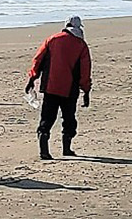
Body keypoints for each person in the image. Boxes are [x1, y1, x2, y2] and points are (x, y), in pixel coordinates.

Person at [25, 16, 93, 159]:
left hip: (50, 87)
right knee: (69, 119)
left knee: (47, 119)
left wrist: (32, 78)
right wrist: (86, 90)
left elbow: (38, 60)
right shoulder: (81, 45)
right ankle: (66, 149)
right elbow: (85, 71)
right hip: (70, 89)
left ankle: (44, 150)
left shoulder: (52, 39)